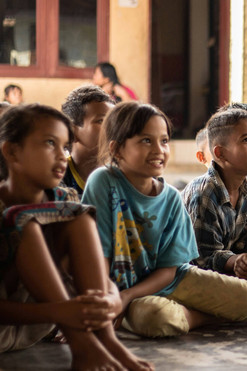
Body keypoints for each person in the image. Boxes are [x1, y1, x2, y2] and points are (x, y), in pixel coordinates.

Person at [82, 103, 247, 338]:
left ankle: (189, 316)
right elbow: (99, 258)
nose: (159, 149)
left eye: (164, 141)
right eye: (146, 140)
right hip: (118, 288)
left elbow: (170, 271)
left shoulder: (170, 197)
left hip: (171, 281)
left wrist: (126, 298)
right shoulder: (104, 182)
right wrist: (118, 297)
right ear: (117, 150)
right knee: (155, 318)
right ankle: (200, 315)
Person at [0, 104, 152, 370]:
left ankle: (105, 342)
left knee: (79, 216)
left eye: (65, 146)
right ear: (12, 151)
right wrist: (58, 312)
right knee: (28, 223)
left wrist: (112, 299)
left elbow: (98, 279)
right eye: (50, 143)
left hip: (39, 327)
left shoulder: (66, 199)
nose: (62, 156)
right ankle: (83, 346)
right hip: (19, 322)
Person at [182, 108, 247, 279]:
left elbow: (242, 247)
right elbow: (202, 259)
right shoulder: (205, 192)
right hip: (188, 276)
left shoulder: (245, 187)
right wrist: (235, 261)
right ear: (220, 153)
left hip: (223, 275)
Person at [60, 85, 115, 195]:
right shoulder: (58, 177)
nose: (113, 128)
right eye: (101, 121)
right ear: (72, 132)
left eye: (114, 121)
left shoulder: (124, 177)